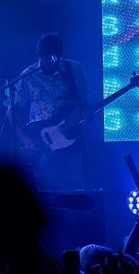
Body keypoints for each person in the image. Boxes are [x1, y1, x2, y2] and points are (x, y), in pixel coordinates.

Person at [11, 32, 90, 189]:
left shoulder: (74, 70)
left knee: (78, 186)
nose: (49, 62)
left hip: (72, 135)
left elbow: (83, 102)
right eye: (44, 58)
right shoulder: (28, 75)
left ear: (59, 55)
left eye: (53, 58)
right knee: (46, 189)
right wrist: (26, 140)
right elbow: (11, 110)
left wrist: (86, 112)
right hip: (42, 141)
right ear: (39, 55)